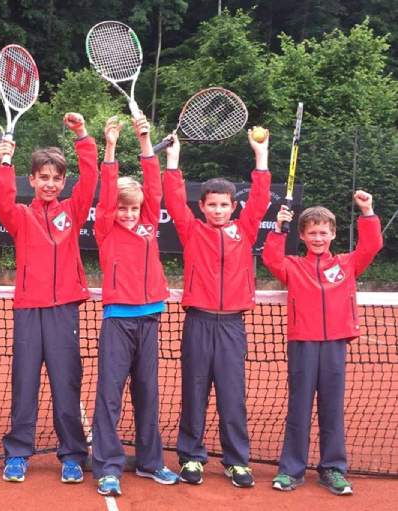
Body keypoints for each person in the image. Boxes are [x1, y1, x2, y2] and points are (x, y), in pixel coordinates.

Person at [163, 129, 271, 488]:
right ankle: (191, 457)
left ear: (233, 207)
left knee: (231, 395)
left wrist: (261, 156)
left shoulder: (246, 230)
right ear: (203, 207)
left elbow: (260, 198)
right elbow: (174, 200)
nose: (219, 210)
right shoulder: (192, 230)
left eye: (224, 205)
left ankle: (236, 461)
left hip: (232, 327)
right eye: (212, 204)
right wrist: (173, 160)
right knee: (194, 393)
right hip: (198, 322)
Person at [0, 113, 97, 483]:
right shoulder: (20, 216)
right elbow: (2, 201)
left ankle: (72, 454)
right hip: (27, 311)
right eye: (43, 177)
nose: (50, 184)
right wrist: (4, 160)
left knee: (65, 383)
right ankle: (17, 453)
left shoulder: (73, 210)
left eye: (56, 178)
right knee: (24, 383)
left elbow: (91, 178)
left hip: (64, 311)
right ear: (32, 180)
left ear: (63, 181)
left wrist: (82, 136)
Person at [262, 192, 382, 495]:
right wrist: (279, 229)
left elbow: (372, 245)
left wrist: (366, 211)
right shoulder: (293, 266)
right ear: (302, 236)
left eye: (323, 232)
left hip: (335, 346)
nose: (318, 237)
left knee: (332, 409)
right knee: (299, 408)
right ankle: (291, 470)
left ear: (333, 234)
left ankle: (333, 469)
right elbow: (270, 258)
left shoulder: (347, 263)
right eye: (312, 232)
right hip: (302, 344)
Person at [90, 116, 180, 497]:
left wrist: (146, 141)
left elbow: (155, 190)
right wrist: (110, 147)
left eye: (134, 209)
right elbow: (107, 194)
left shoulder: (148, 226)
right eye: (123, 208)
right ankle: (108, 466)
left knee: (147, 392)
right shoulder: (106, 228)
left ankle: (149, 462)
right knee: (110, 395)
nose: (129, 214)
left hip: (150, 318)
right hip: (117, 321)